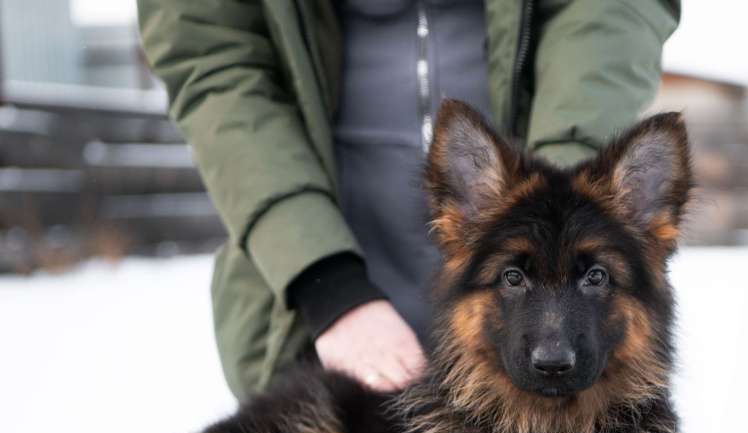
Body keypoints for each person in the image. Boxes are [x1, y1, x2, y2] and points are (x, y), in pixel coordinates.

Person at [137, 0, 680, 400]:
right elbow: (211, 55)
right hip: (321, 321)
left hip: (534, 319)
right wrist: (324, 283)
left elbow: (611, 11)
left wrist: (558, 201)